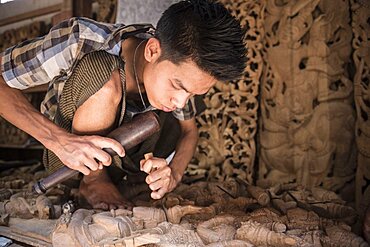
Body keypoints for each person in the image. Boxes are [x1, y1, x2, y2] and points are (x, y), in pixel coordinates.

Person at [0, 0, 247, 210]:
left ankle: (123, 184)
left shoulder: (179, 79)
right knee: (102, 71)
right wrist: (58, 140)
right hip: (68, 163)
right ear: (152, 50)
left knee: (169, 114)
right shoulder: (81, 39)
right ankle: (94, 181)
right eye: (178, 86)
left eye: (192, 93)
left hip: (126, 166)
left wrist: (174, 174)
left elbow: (189, 131)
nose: (181, 100)